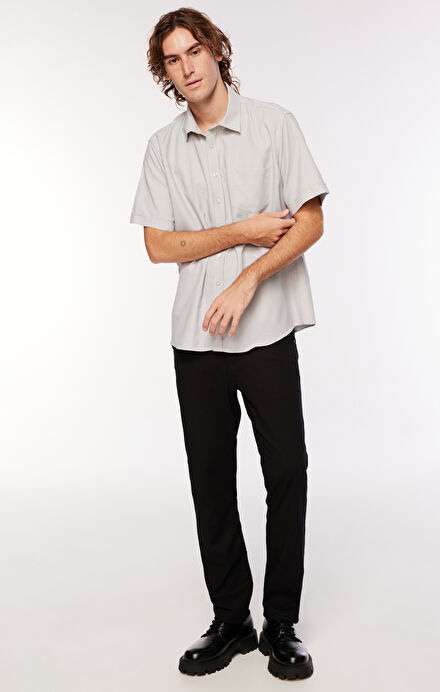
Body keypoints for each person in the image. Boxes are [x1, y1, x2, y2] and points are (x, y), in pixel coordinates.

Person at [129, 8, 329, 681]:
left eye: (194, 51)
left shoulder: (273, 124)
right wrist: (243, 230)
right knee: (210, 479)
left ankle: (281, 623)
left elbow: (309, 223)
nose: (186, 67)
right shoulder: (163, 147)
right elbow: (159, 245)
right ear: (165, 73)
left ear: (216, 51)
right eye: (172, 60)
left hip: (267, 328)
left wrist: (248, 278)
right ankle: (231, 621)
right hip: (196, 338)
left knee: (287, 471)